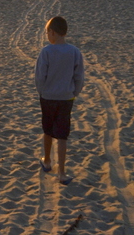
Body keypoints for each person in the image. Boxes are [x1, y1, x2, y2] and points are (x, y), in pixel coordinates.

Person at [34, 16, 85, 185]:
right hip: (66, 97)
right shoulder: (74, 52)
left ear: (53, 32)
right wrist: (74, 92)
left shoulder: (47, 51)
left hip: (48, 97)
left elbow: (40, 76)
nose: (47, 35)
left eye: (47, 32)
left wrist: (42, 91)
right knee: (63, 135)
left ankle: (47, 161)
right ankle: (62, 172)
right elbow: (79, 76)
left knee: (48, 130)